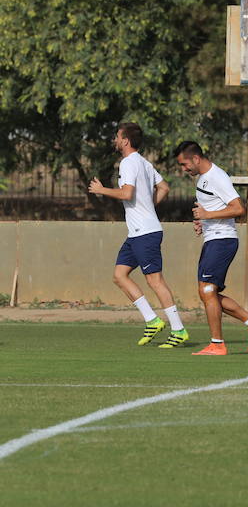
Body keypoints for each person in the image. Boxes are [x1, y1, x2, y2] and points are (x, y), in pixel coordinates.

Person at [89, 122, 188, 347]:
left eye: (117, 136)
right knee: (119, 275)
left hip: (146, 233)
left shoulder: (129, 163)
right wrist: (149, 207)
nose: (115, 140)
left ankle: (179, 329)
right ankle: (152, 320)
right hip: (137, 233)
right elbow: (164, 187)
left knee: (155, 281)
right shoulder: (144, 163)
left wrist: (101, 190)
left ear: (125, 140)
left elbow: (127, 193)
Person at [173, 141, 248, 356]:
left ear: (196, 159)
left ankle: (217, 344)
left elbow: (238, 208)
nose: (183, 169)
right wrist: (203, 221)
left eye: (184, 164)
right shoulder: (204, 179)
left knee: (208, 290)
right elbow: (215, 208)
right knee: (207, 293)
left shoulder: (217, 177)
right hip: (213, 239)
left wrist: (208, 216)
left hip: (222, 240)